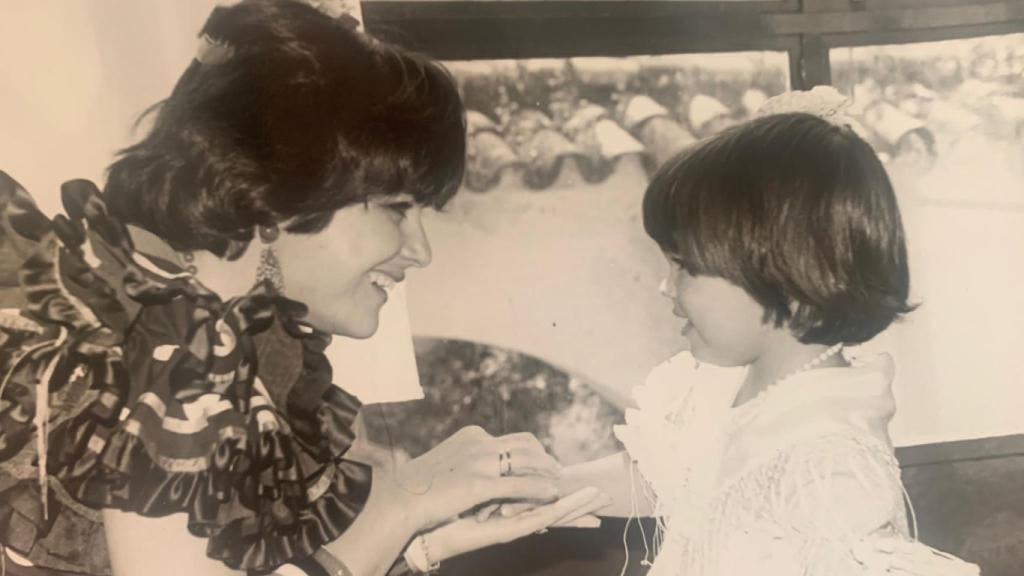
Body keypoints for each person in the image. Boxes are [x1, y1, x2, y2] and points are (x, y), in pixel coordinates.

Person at [0, 1, 607, 575]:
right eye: (396, 208)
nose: (419, 252)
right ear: (275, 196)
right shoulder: (179, 350)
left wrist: (423, 537)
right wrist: (401, 510)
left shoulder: (184, 330)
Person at [557, 88, 981, 575]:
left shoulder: (830, 463)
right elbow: (674, 477)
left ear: (790, 277)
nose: (663, 286)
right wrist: (551, 487)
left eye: (685, 267)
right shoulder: (736, 383)